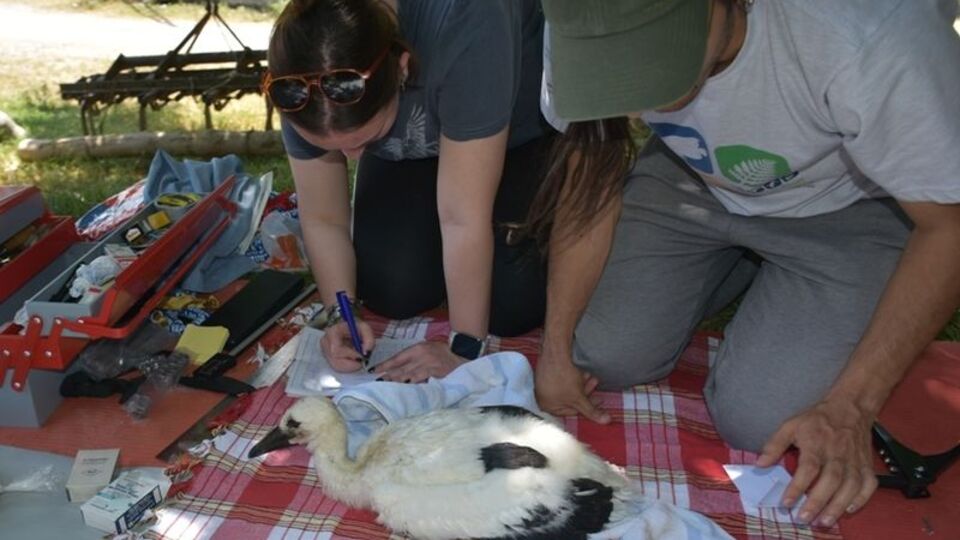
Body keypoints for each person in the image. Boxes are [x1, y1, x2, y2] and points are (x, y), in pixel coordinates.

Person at [532, 0, 960, 529]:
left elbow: (948, 226)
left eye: (651, 55)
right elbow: (590, 164)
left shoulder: (870, 31)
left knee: (763, 421)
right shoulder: (581, 17)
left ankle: (776, 282)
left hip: (851, 202)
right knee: (598, 355)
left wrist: (850, 406)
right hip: (691, 179)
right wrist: (553, 348)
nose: (639, 104)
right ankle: (744, 271)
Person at [266, 0, 550, 382]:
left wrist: (463, 348)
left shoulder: (468, 18)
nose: (349, 158)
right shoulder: (305, 57)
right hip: (413, 149)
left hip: (511, 137)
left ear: (401, 69)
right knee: (391, 288)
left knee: (511, 302)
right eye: (331, 147)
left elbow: (463, 218)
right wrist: (339, 312)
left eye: (363, 138)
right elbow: (322, 216)